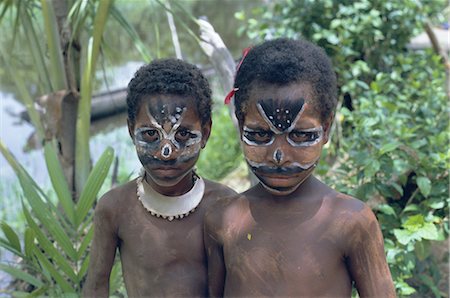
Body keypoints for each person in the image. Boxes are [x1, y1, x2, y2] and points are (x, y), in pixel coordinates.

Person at [204, 38, 396, 297]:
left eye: (301, 135)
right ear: (240, 125)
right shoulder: (221, 220)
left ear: (326, 129)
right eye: (260, 135)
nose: (279, 155)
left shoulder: (351, 222)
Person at [82, 58, 237, 297]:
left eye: (183, 134)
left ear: (205, 134)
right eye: (151, 134)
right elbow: (95, 287)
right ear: (131, 131)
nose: (166, 152)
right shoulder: (115, 208)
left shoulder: (226, 205)